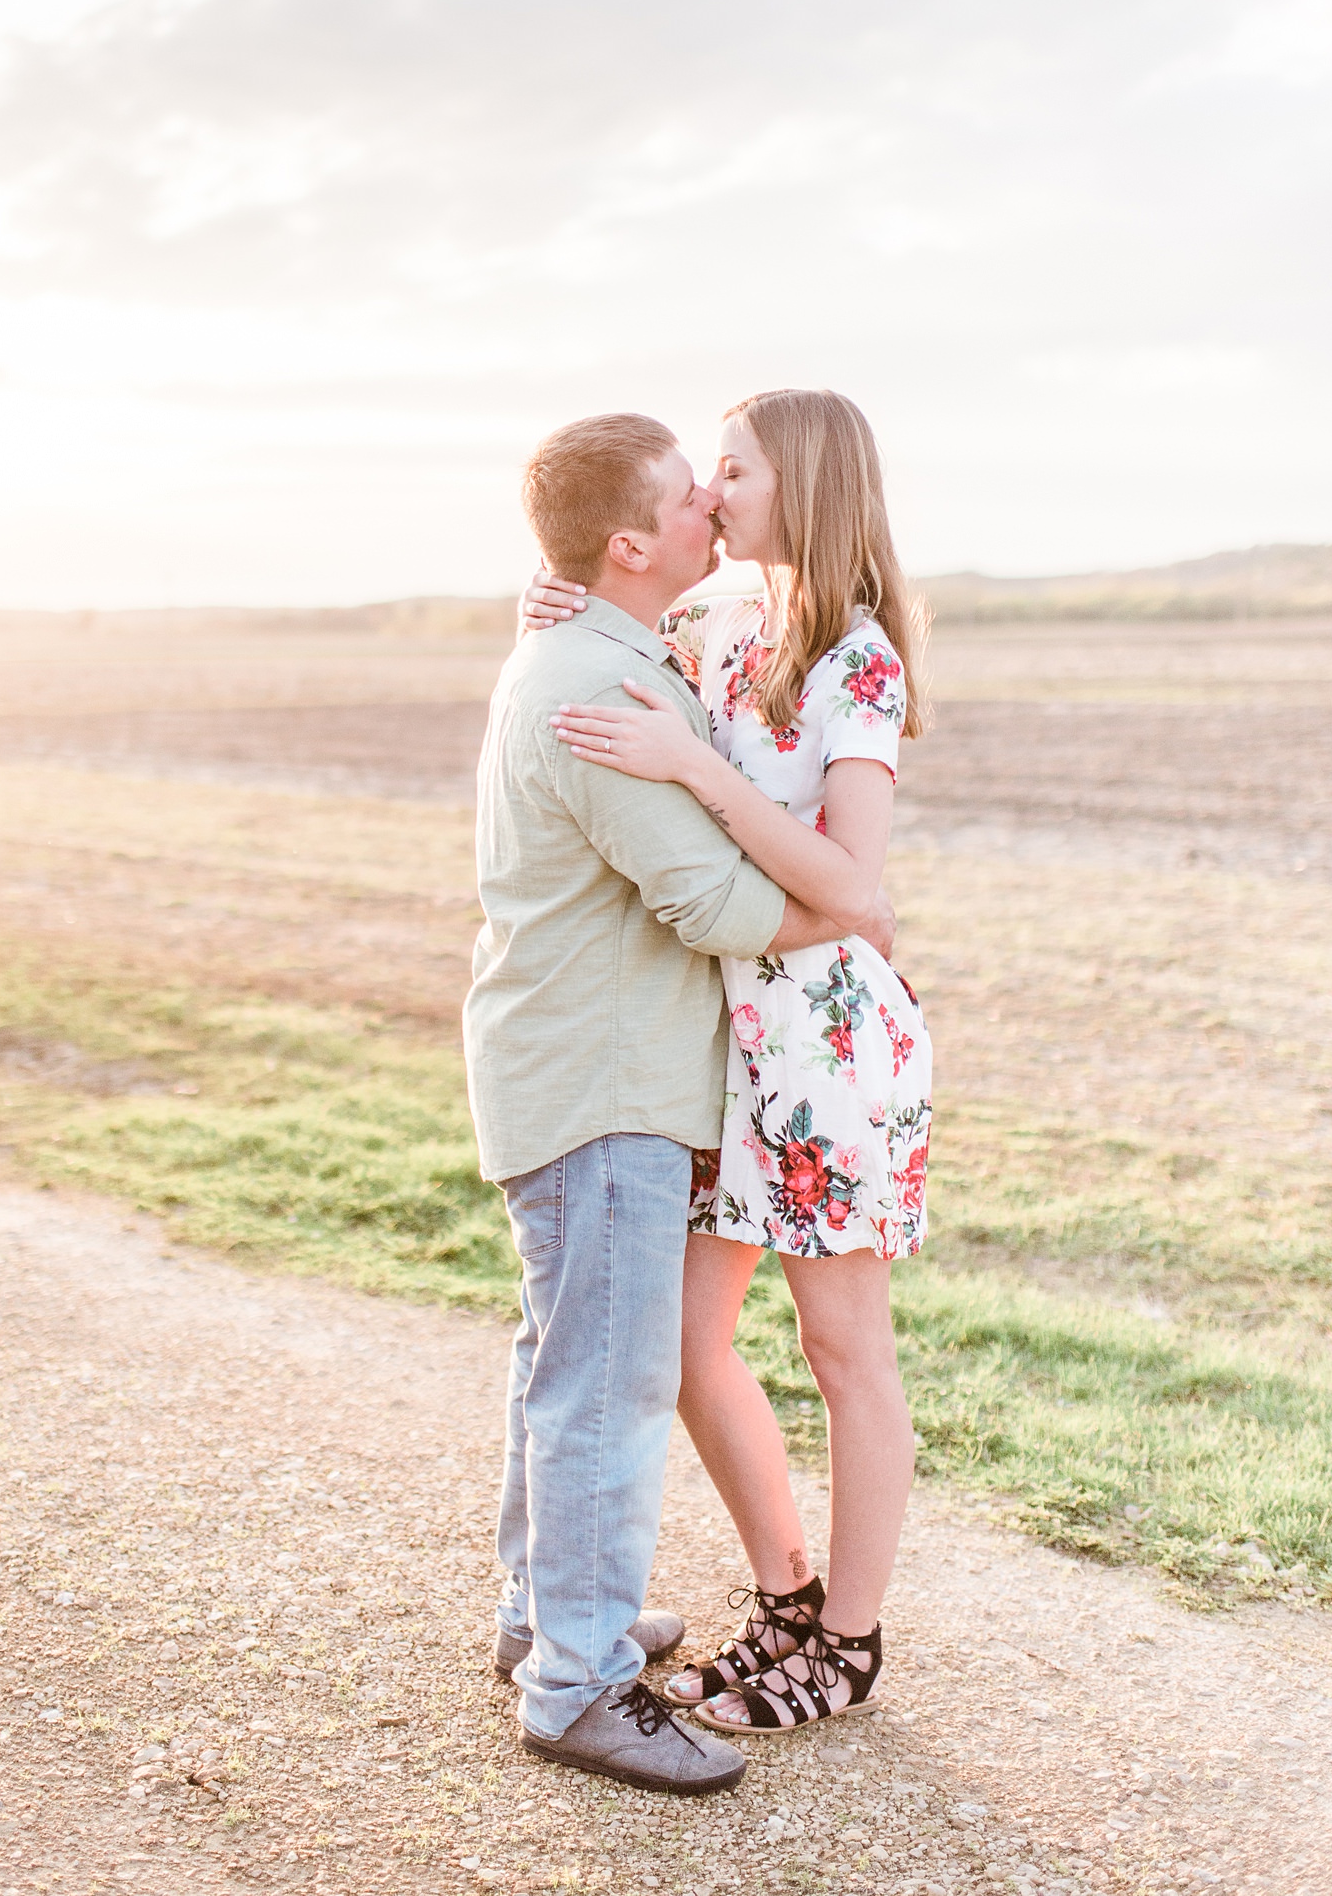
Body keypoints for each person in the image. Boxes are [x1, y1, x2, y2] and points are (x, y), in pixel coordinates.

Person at [465, 411, 897, 1793]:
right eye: (692, 484)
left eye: (733, 473)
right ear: (632, 543)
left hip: (778, 1052)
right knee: (609, 1372)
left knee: (631, 1357)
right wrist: (569, 598)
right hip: (649, 1060)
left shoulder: (777, 650)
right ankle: (576, 1664)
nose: (713, 499)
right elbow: (716, 898)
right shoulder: (656, 649)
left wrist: (586, 623)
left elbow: (845, 875)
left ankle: (672, 1629)